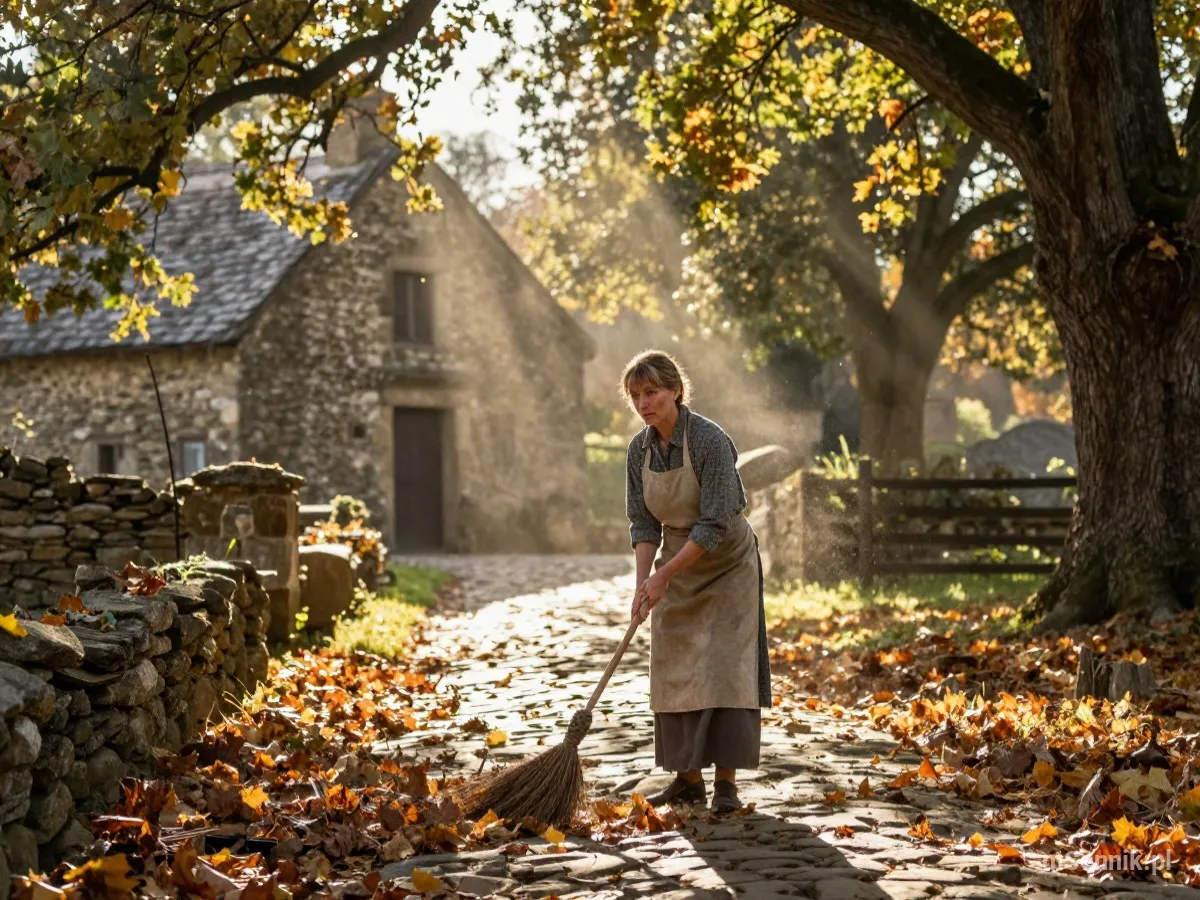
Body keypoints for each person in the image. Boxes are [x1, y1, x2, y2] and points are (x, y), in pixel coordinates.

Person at [622, 350, 771, 814]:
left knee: (726, 667)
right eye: (635, 396)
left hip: (727, 563)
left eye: (652, 392)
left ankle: (726, 784)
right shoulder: (638, 451)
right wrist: (643, 583)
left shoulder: (709, 440)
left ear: (675, 391)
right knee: (675, 663)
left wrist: (664, 575)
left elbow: (714, 524)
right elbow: (643, 523)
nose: (644, 403)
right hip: (677, 560)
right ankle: (687, 780)